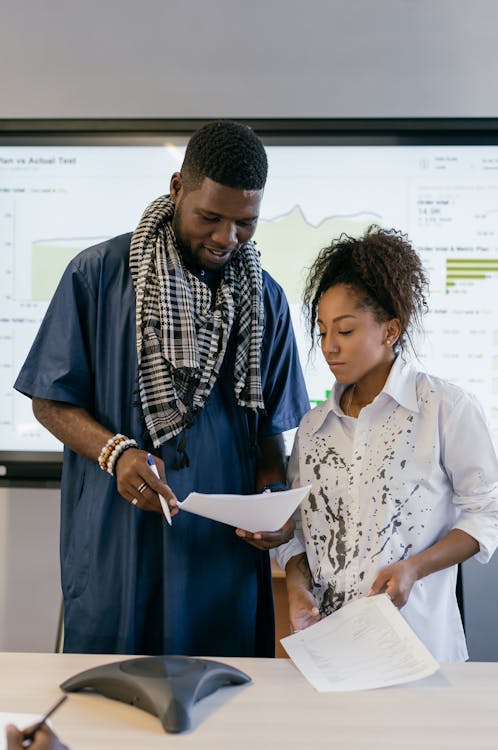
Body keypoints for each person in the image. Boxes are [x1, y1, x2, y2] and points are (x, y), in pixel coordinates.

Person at [15, 121, 310, 657]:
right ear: (177, 188)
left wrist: (271, 506)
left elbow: (270, 432)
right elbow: (50, 398)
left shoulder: (266, 299)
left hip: (219, 558)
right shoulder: (96, 276)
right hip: (118, 547)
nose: (227, 238)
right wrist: (115, 452)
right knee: (106, 716)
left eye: (246, 223)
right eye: (210, 217)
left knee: (225, 717)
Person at [276, 226, 498, 661]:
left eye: (344, 330)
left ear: (391, 330)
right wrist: (298, 589)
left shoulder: (446, 409)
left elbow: (488, 513)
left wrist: (414, 568)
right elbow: (299, 533)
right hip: (329, 653)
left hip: (419, 649)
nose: (329, 347)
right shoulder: (312, 428)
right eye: (322, 332)